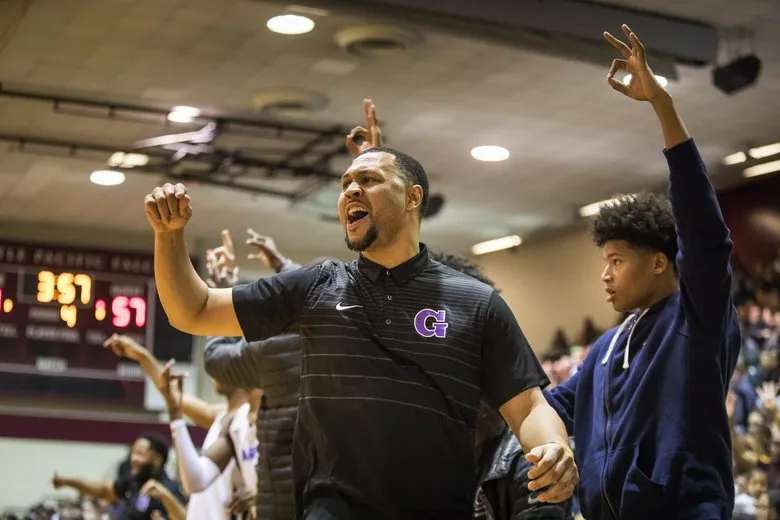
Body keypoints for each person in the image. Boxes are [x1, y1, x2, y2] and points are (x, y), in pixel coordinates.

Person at [142, 98, 577, 519]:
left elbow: (530, 407)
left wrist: (555, 447)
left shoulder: (475, 302)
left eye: (367, 180)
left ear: (412, 198)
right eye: (346, 183)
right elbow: (193, 311)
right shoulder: (315, 286)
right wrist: (168, 237)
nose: (350, 188)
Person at [544, 25, 741, 519]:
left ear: (659, 262)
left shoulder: (696, 319)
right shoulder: (607, 347)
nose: (605, 276)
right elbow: (546, 404)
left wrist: (663, 107)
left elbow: (704, 233)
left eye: (616, 261)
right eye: (604, 262)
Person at [203, 229, 305, 520]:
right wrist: (283, 265)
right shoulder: (349, 336)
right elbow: (313, 292)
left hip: (283, 502)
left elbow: (215, 358)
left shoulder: (272, 347)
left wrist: (222, 292)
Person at [103, 333, 260, 520]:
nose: (212, 371)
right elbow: (172, 395)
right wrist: (142, 356)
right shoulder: (225, 418)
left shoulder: (252, 420)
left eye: (219, 362)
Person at [156, 361, 258, 520]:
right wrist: (175, 413)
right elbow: (195, 481)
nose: (213, 374)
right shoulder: (236, 423)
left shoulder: (289, 420)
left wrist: (264, 494)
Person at [52, 433, 186, 520]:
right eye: (133, 453)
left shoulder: (169, 490)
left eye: (140, 454)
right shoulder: (133, 481)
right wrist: (68, 482)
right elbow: (104, 490)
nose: (133, 458)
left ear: (157, 459)